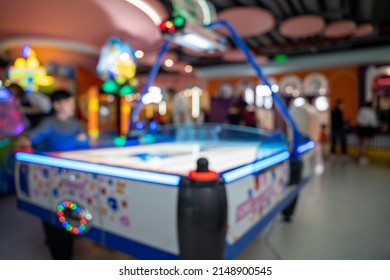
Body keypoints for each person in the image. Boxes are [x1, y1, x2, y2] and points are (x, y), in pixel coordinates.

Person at [16, 89, 88, 152]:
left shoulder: (75, 123)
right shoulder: (49, 123)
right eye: (68, 103)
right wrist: (25, 140)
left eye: (73, 103)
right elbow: (34, 136)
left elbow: (84, 144)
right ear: (56, 105)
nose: (73, 106)